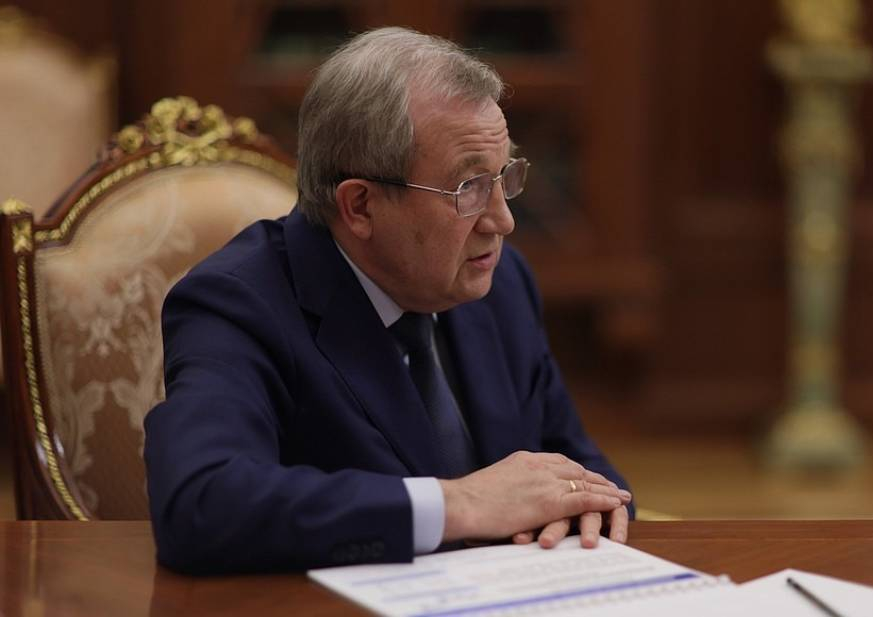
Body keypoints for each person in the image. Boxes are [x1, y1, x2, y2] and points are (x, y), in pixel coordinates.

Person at [144, 26, 632, 575]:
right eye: (469, 188)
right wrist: (460, 504)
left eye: (505, 177)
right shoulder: (239, 304)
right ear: (360, 206)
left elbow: (581, 467)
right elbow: (201, 502)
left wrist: (590, 508)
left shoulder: (501, 284)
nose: (503, 220)